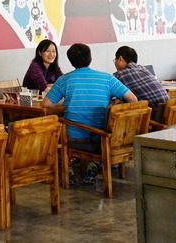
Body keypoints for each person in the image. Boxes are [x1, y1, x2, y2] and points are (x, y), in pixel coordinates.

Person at [43, 43, 137, 185]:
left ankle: (67, 166)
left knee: (54, 133)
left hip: (74, 136)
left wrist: (66, 101)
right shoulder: (107, 78)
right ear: (90, 58)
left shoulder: (65, 79)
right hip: (101, 135)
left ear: (71, 61)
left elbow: (46, 104)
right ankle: (90, 162)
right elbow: (133, 99)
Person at [112, 45, 168, 111]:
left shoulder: (119, 74)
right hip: (166, 110)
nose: (115, 63)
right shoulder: (142, 69)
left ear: (120, 58)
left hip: (151, 112)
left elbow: (108, 95)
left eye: (115, 60)